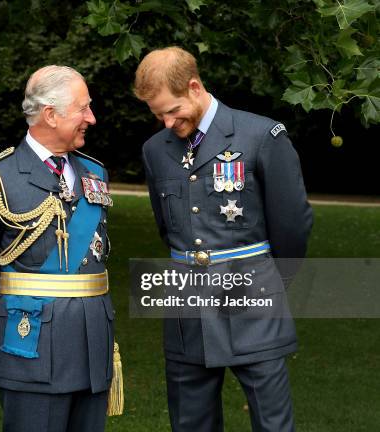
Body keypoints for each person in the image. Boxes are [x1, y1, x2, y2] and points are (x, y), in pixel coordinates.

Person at [134, 46, 313, 431]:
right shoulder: (155, 150)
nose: (166, 122)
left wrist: (274, 283)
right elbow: (167, 226)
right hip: (186, 305)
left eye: (172, 110)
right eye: (156, 114)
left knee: (272, 422)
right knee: (190, 422)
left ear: (195, 87)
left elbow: (293, 224)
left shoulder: (261, 135)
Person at [0, 65, 121, 432]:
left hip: (93, 335)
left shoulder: (95, 173)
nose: (91, 119)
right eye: (83, 109)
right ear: (50, 114)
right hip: (30, 337)